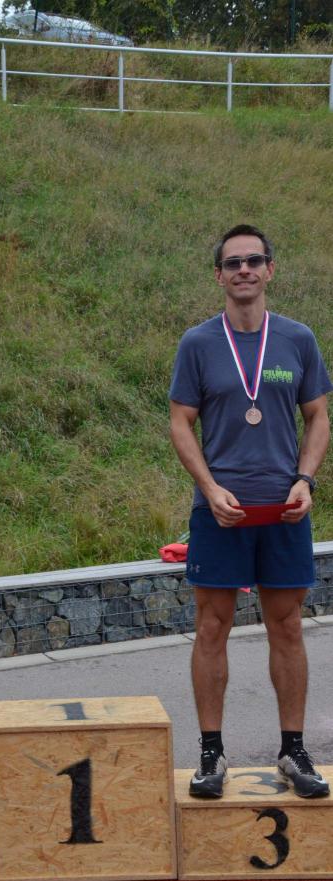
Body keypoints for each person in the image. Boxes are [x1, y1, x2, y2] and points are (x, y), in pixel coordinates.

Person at [169, 224, 332, 800]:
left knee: (287, 626)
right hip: (221, 511)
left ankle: (293, 750)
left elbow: (318, 416)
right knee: (212, 626)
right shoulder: (197, 343)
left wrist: (305, 480)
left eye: (254, 260)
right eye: (233, 262)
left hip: (284, 510)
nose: (244, 269)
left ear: (269, 270)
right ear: (219, 275)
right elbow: (180, 422)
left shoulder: (297, 339)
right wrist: (210, 488)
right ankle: (212, 753)